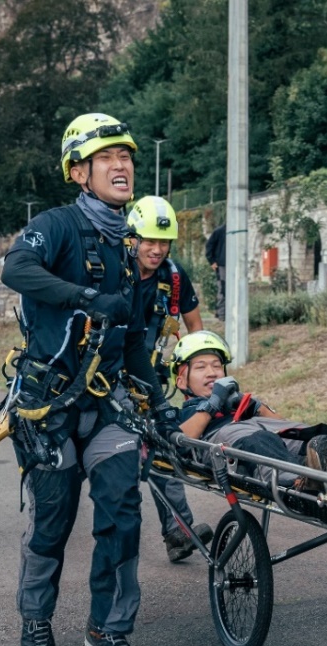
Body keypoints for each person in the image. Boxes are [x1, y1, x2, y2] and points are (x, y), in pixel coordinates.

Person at [0, 113, 181, 646]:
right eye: (106, 158)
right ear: (79, 172)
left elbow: (131, 340)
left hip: (107, 408)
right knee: (52, 524)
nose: (121, 165)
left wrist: (159, 405)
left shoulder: (130, 246)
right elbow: (15, 269)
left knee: (122, 518)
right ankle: (36, 618)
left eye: (125, 156)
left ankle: (108, 628)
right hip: (49, 407)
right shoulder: (55, 225)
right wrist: (84, 296)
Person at [126, 195, 214, 562]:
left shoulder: (173, 277)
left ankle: (179, 531)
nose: (157, 249)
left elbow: (195, 328)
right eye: (149, 240)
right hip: (106, 382)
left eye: (164, 242)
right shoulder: (115, 272)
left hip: (151, 385)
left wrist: (200, 374)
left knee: (163, 447)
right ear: (132, 238)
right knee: (118, 461)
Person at [170, 330, 327, 488]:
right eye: (201, 367)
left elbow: (283, 425)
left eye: (217, 366)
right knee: (260, 440)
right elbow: (178, 441)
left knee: (324, 438)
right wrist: (212, 404)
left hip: (261, 432)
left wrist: (256, 406)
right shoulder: (184, 413)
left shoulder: (235, 403)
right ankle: (298, 481)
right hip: (228, 441)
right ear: (181, 381)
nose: (212, 372)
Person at [205, 222, 227, 321]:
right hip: (222, 265)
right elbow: (209, 245)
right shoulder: (219, 231)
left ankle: (224, 313)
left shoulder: (237, 231)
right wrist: (212, 261)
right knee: (222, 289)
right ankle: (222, 314)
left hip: (233, 264)